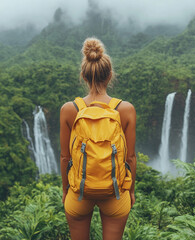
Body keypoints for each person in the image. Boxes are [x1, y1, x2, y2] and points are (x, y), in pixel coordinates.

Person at [60, 37, 137, 240]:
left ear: (84, 77)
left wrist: (66, 191)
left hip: (79, 193)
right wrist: (130, 191)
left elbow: (64, 157)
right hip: (115, 192)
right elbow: (130, 158)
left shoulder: (69, 110)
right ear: (110, 75)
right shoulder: (126, 110)